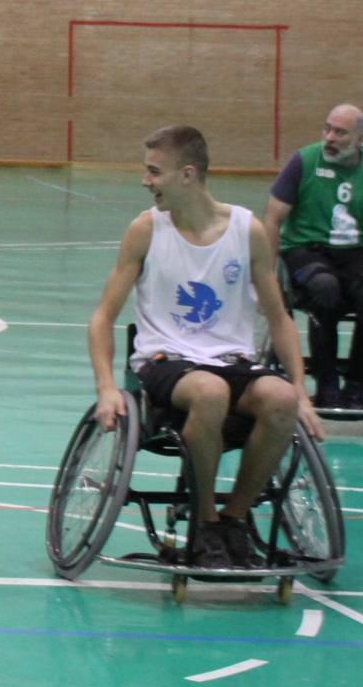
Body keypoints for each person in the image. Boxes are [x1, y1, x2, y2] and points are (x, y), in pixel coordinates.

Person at [87, 125, 324, 571]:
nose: (146, 181)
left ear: (188, 175)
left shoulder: (246, 230)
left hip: (230, 361)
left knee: (281, 400)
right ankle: (205, 523)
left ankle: (234, 519)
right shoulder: (146, 230)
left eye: (155, 172)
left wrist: (302, 390)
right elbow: (102, 317)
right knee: (210, 392)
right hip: (165, 362)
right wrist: (105, 386)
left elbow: (278, 318)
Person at [264, 102, 363, 410]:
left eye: (340, 132)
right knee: (324, 287)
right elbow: (271, 220)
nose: (329, 137)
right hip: (306, 250)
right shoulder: (304, 161)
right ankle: (326, 384)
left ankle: (359, 385)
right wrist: (267, 279)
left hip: (357, 255)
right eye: (327, 129)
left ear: (362, 140)